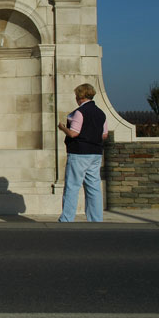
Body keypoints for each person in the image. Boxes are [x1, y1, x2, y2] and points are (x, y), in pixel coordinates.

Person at [57, 83, 108, 222]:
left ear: (80, 96)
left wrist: (62, 128)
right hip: (96, 152)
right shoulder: (101, 113)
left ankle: (67, 218)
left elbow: (74, 133)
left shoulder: (79, 112)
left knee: (72, 186)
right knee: (94, 187)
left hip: (79, 152)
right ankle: (96, 219)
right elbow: (104, 135)